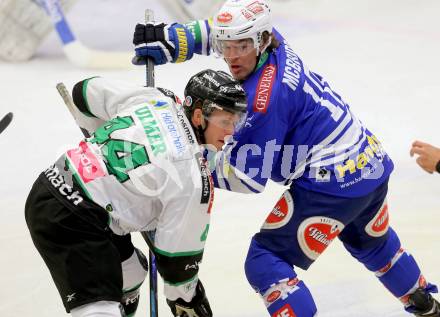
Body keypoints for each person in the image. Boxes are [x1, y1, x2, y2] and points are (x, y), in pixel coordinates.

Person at [131, 0, 440, 316]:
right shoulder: (272, 42)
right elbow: (217, 32)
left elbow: (247, 178)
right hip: (369, 164)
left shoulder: (260, 103)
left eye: (241, 46)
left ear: (261, 40)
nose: (232, 56)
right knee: (372, 244)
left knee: (265, 261)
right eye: (227, 46)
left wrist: (188, 160)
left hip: (331, 182)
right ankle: (428, 306)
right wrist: (174, 40)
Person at [25, 72, 247, 317]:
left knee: (130, 274)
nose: (231, 133)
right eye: (226, 122)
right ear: (198, 116)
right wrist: (189, 301)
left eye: (235, 122)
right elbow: (178, 267)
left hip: (53, 184)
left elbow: (84, 92)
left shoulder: (156, 99)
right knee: (99, 309)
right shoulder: (192, 178)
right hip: (76, 220)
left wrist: (99, 135)